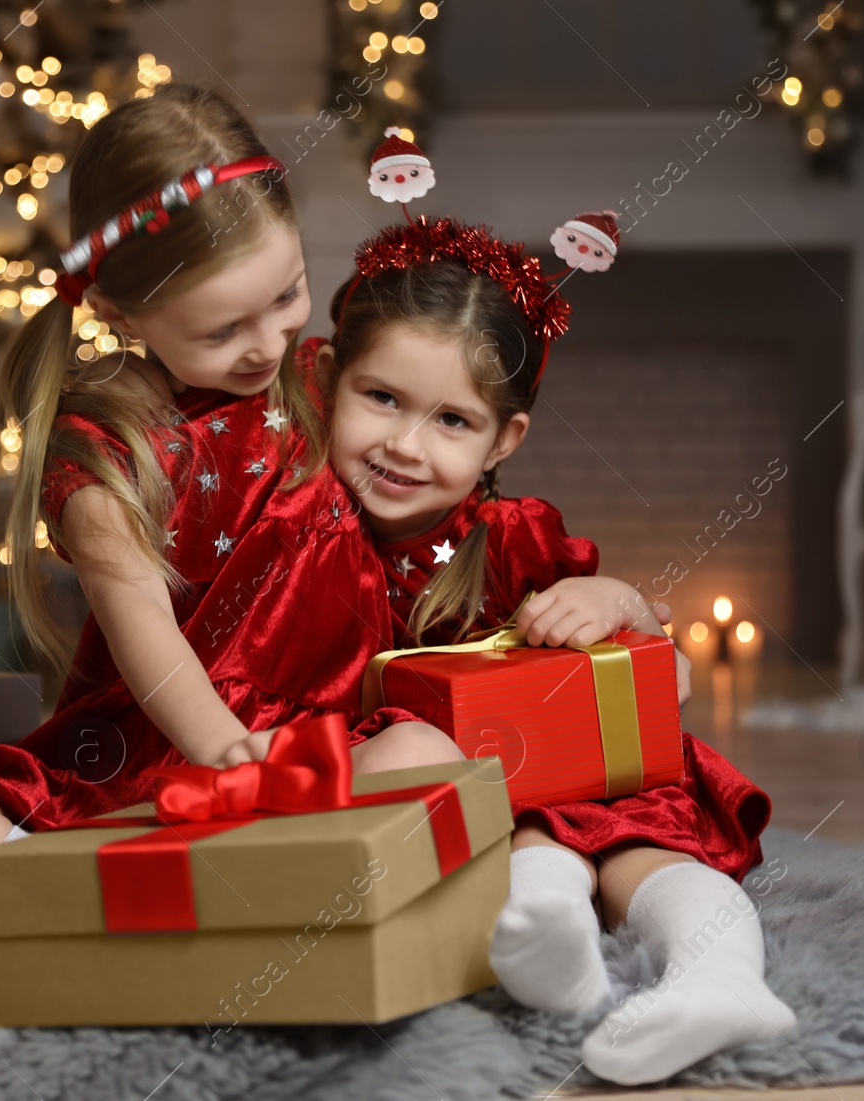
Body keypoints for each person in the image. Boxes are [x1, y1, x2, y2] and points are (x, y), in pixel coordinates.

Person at [0, 84, 458, 910]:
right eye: (221, 330)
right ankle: (107, 892)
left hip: (309, 747)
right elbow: (142, 624)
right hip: (143, 758)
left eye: (285, 296)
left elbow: (437, 496)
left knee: (426, 750)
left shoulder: (323, 380)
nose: (266, 345)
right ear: (119, 314)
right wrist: (219, 750)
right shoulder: (104, 444)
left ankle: (153, 893)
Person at [308, 214, 797, 1084]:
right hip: (449, 796)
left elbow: (652, 657)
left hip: (557, 769)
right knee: (528, 846)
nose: (404, 445)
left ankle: (719, 975)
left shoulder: (512, 535)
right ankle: (558, 957)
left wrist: (605, 601)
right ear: (327, 380)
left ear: (504, 440)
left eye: (452, 419)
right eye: (381, 397)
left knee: (630, 834)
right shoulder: (300, 534)